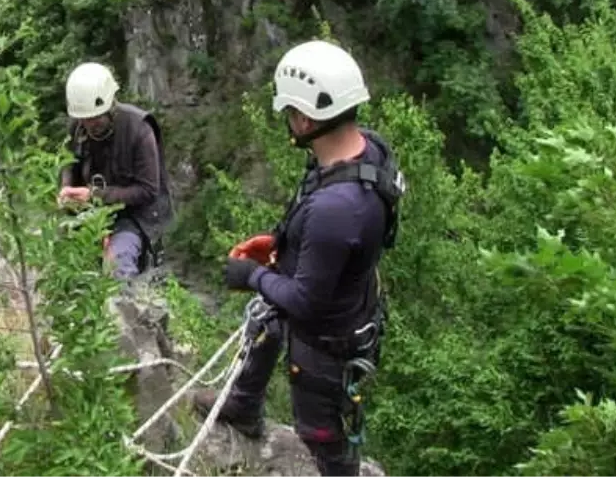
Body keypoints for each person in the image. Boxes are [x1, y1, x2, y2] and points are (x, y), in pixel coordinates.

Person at [192, 40, 404, 477]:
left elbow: (306, 300)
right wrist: (279, 243)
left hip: (327, 342)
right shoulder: (369, 151)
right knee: (267, 322)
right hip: (348, 292)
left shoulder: (338, 208)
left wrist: (250, 275)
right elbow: (332, 237)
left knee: (320, 435)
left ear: (305, 118)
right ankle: (244, 403)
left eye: (289, 112)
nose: (288, 121)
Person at [58, 61, 174, 281]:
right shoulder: (77, 127)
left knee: (119, 267)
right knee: (71, 271)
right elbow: (69, 161)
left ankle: (127, 310)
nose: (90, 124)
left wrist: (94, 196)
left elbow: (148, 190)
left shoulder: (139, 129)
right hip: (90, 215)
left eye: (95, 118)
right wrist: (66, 188)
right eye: (84, 119)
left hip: (134, 217)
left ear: (110, 105)